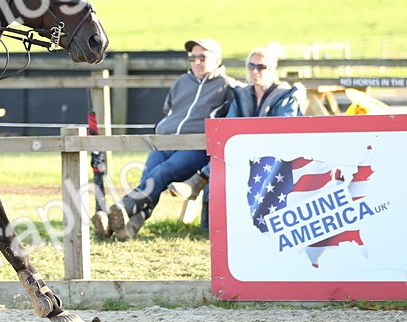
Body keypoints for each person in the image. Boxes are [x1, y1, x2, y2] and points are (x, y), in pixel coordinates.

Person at [102, 38, 236, 241]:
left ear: (217, 60)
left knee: (162, 173)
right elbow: (169, 110)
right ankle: (129, 226)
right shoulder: (181, 82)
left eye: (203, 57)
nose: (197, 61)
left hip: (196, 147)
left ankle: (120, 209)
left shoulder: (228, 87)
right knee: (149, 177)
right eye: (193, 57)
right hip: (164, 142)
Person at [167, 45, 304, 225]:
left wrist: (247, 139)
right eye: (251, 66)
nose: (255, 71)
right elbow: (229, 127)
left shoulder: (286, 95)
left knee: (227, 158)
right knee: (222, 157)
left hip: (276, 155)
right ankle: (211, 226)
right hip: (243, 153)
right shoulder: (242, 95)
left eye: (261, 67)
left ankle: (197, 181)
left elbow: (282, 131)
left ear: (272, 69)